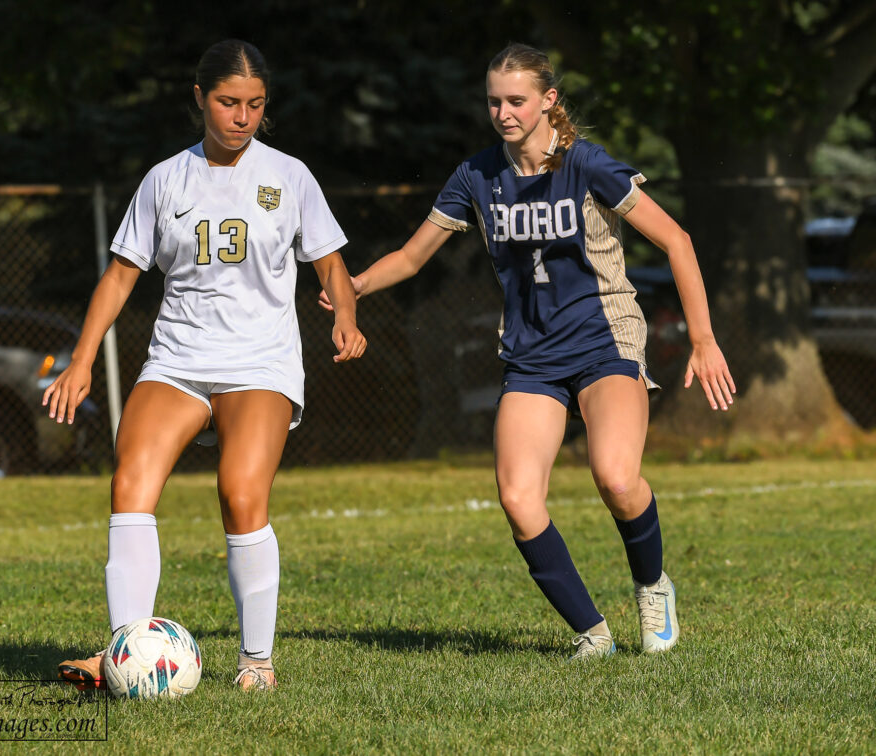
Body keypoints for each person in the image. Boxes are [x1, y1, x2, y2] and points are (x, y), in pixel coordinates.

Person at [321, 43, 735, 659]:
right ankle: (593, 636)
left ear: (548, 101)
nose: (504, 112)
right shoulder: (477, 176)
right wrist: (354, 286)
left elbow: (677, 240)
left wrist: (703, 340)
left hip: (605, 342)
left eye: (517, 100)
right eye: (494, 101)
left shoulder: (586, 165)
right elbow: (412, 257)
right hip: (532, 355)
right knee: (518, 500)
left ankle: (652, 586)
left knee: (617, 479)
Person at [45, 39, 366, 691]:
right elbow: (119, 276)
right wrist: (80, 362)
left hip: (261, 362)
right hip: (179, 360)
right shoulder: (166, 180)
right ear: (199, 98)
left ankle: (256, 663)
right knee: (131, 483)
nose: (242, 116)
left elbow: (330, 260)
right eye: (227, 102)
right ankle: (124, 657)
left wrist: (346, 313)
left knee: (241, 494)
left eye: (254, 104)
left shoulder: (290, 176)